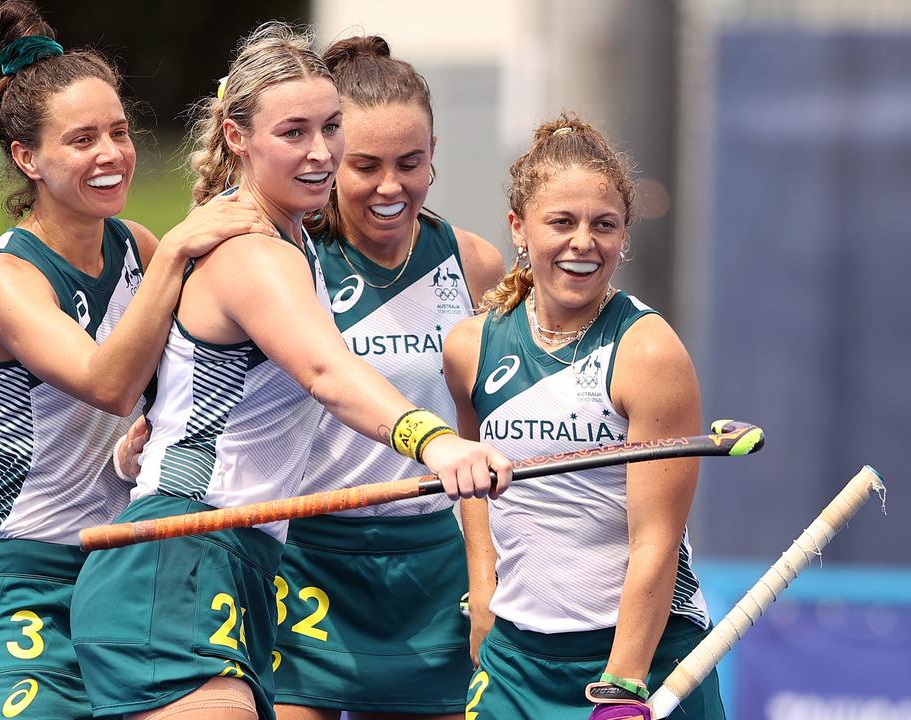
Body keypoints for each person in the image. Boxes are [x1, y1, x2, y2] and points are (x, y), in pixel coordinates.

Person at [70, 22, 513, 720]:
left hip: (239, 553)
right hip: (184, 548)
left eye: (330, 127)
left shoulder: (289, 238)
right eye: (294, 132)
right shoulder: (256, 250)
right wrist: (436, 442)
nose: (319, 152)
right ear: (238, 136)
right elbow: (326, 371)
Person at [0, 3, 274, 719]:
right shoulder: (8, 280)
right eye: (82, 139)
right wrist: (186, 246)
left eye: (119, 132)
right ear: (28, 158)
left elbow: (178, 390)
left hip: (124, 567)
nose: (112, 154)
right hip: (20, 577)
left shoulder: (139, 247)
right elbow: (110, 385)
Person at [443, 113, 726, 720]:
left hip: (640, 661)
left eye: (605, 225)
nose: (583, 243)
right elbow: (472, 482)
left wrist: (623, 685)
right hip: (516, 664)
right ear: (520, 228)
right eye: (561, 222)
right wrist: (484, 595)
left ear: (625, 235)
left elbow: (657, 539)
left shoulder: (649, 352)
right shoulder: (469, 346)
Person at [272, 36, 504, 720]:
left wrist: (486, 571)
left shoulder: (474, 263)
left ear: (435, 150)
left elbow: (490, 429)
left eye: (411, 163)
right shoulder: (287, 258)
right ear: (332, 156)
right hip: (308, 559)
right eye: (365, 166)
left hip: (432, 570)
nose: (390, 188)